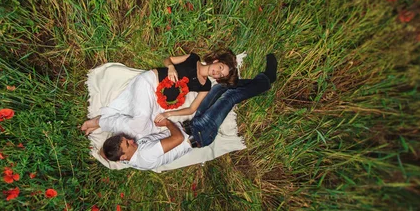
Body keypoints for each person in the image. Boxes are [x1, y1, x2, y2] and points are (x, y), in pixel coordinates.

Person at [101, 54, 278, 171]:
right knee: (230, 96)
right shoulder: (145, 154)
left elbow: (107, 153)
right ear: (124, 156)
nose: (131, 140)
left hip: (192, 124)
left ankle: (249, 82)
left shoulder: (124, 156)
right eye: (128, 144)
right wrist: (167, 121)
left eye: (126, 139)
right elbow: (177, 138)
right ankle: (266, 80)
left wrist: (102, 142)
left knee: (219, 89)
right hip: (200, 133)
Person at [80, 50, 238, 139]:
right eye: (220, 67)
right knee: (140, 123)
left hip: (158, 102)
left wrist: (168, 113)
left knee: (148, 131)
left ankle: (103, 121)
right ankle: (99, 122)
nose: (217, 72)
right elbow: (167, 59)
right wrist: (170, 67)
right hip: (149, 83)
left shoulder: (206, 86)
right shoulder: (193, 58)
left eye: (220, 75)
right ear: (216, 61)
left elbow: (191, 109)